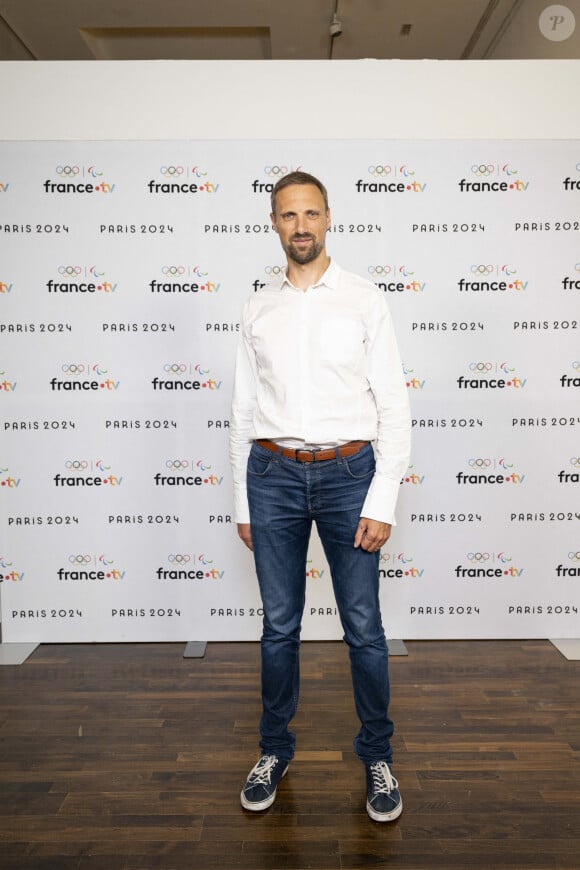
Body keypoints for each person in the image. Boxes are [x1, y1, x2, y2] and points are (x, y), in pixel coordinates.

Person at [229, 171, 411, 822]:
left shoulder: (364, 299)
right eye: (287, 215)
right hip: (271, 476)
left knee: (363, 627)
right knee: (279, 627)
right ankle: (273, 750)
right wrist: (243, 502)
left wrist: (383, 496)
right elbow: (243, 410)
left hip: (349, 476)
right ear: (273, 224)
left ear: (329, 218)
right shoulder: (258, 306)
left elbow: (392, 401)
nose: (300, 225)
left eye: (311, 213)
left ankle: (378, 756)